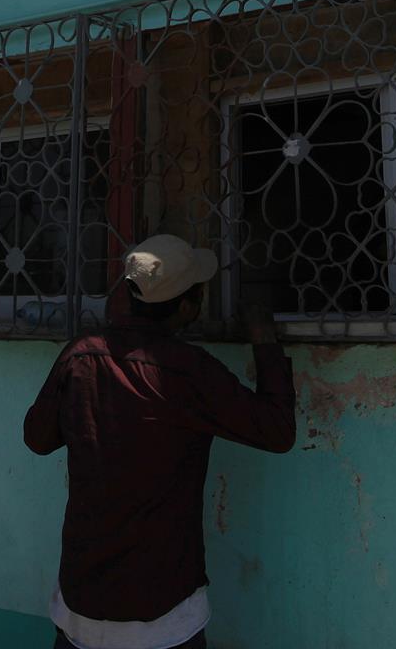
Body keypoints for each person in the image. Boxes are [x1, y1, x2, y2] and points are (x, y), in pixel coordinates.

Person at [23, 234, 296, 649]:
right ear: (187, 305)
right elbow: (277, 431)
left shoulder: (81, 356)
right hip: (162, 619)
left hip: (80, 609)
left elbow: (37, 438)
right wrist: (264, 341)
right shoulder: (188, 371)